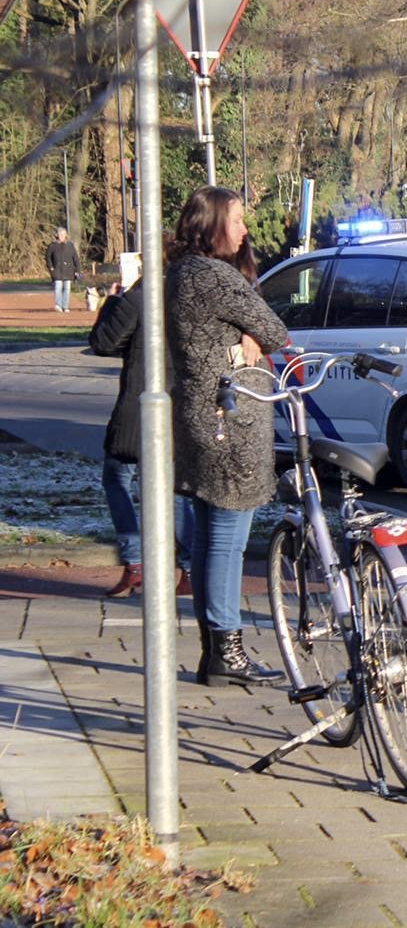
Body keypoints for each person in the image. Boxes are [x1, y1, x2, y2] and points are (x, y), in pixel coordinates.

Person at [167, 186, 287, 687]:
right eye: (236, 220)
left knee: (207, 537)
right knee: (227, 541)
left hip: (202, 417)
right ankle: (227, 651)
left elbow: (254, 329)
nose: (244, 230)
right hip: (228, 422)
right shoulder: (213, 276)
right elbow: (276, 330)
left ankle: (214, 650)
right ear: (212, 222)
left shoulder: (183, 272)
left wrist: (248, 332)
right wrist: (256, 332)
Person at [90, 279, 195, 598]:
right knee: (174, 490)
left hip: (138, 410)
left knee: (116, 478)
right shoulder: (186, 296)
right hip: (178, 406)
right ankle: (190, 568)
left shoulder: (138, 299)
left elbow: (103, 342)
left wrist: (112, 301)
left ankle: (135, 563)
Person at [46, 227, 81, 313]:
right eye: (60, 234)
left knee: (67, 289)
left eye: (63, 234)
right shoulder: (52, 246)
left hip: (68, 271)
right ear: (57, 235)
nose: (62, 236)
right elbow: (48, 257)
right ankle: (58, 305)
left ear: (66, 235)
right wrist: (51, 268)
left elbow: (75, 258)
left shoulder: (70, 245)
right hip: (57, 271)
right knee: (57, 288)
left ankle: (65, 306)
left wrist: (77, 270)